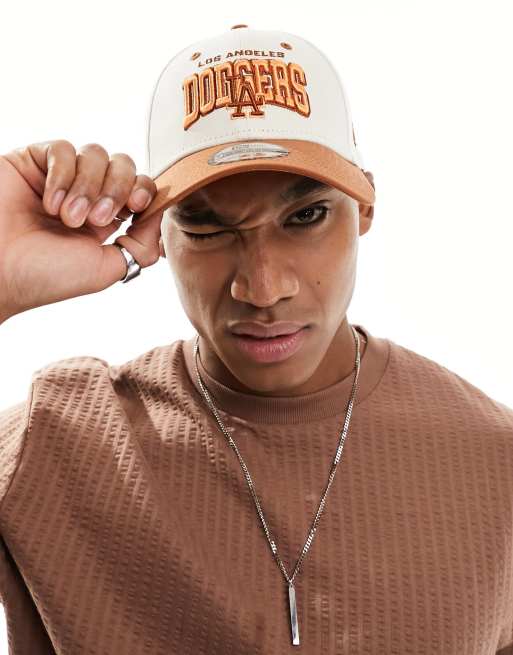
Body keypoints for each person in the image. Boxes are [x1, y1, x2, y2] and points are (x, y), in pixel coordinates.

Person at [0, 24, 512, 655]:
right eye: (208, 229)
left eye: (305, 216)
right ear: (158, 234)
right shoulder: (55, 445)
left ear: (365, 207)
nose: (263, 288)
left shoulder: (496, 464)